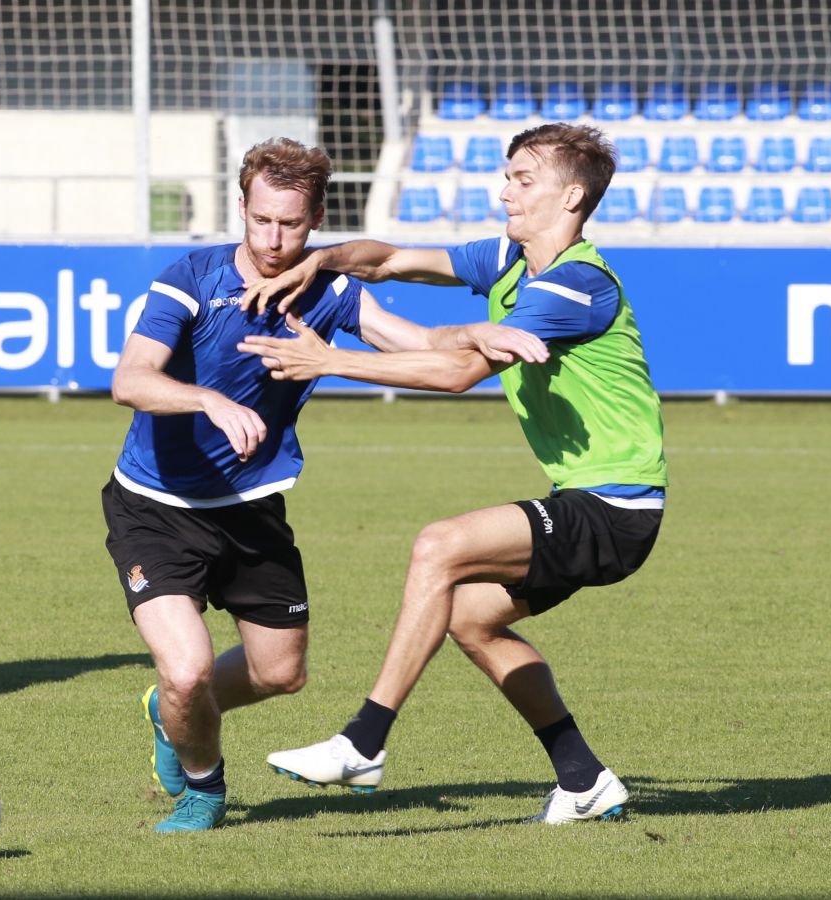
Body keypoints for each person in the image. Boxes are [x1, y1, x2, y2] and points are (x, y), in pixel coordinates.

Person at [102, 137, 543, 833]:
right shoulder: (188, 278)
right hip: (155, 509)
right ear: (240, 207)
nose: (274, 241)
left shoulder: (328, 290)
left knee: (280, 674)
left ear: (315, 220)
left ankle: (167, 712)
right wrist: (208, 401)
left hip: (250, 510)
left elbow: (417, 345)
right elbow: (130, 380)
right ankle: (202, 788)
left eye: (292, 225)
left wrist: (487, 334)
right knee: (186, 668)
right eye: (261, 221)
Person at [239, 122, 667, 823]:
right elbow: (387, 260)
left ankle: (363, 740)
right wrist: (323, 261)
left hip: (616, 508)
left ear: (571, 197)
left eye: (522, 180)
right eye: (506, 176)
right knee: (472, 620)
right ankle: (583, 779)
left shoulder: (574, 286)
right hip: (587, 500)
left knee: (439, 544)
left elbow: (458, 372)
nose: (504, 191)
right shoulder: (507, 258)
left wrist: (331, 361)